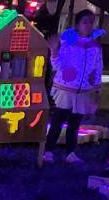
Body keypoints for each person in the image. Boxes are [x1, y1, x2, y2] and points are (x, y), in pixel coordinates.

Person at [42, 9, 104, 166]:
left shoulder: (95, 46)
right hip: (66, 88)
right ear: (77, 25)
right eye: (85, 22)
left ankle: (70, 153)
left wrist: (97, 88)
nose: (88, 25)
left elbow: (98, 67)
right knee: (58, 120)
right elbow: (56, 65)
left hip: (84, 91)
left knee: (75, 123)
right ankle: (48, 151)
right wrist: (54, 51)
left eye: (91, 22)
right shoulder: (67, 42)